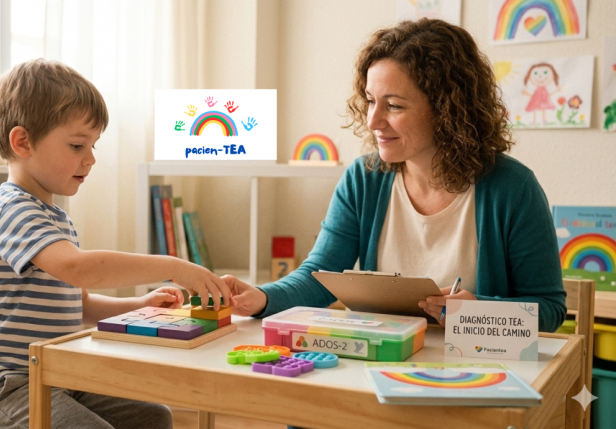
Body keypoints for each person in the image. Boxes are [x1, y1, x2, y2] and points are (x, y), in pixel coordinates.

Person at [225, 18, 566, 334]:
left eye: (395, 105)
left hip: (477, 371)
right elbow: (319, 278)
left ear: (448, 110)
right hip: (384, 361)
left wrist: (479, 311)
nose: (373, 121)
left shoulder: (513, 188)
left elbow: (550, 310)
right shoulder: (363, 179)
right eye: (372, 101)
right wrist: (261, 297)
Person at [0, 59, 230, 429]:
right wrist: (173, 265)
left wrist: (138, 305)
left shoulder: (56, 218)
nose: (90, 158)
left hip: (55, 377)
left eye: (93, 145)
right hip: (3, 390)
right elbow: (78, 267)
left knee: (154, 417)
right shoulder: (14, 209)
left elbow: (79, 302)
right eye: (76, 145)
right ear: (22, 142)